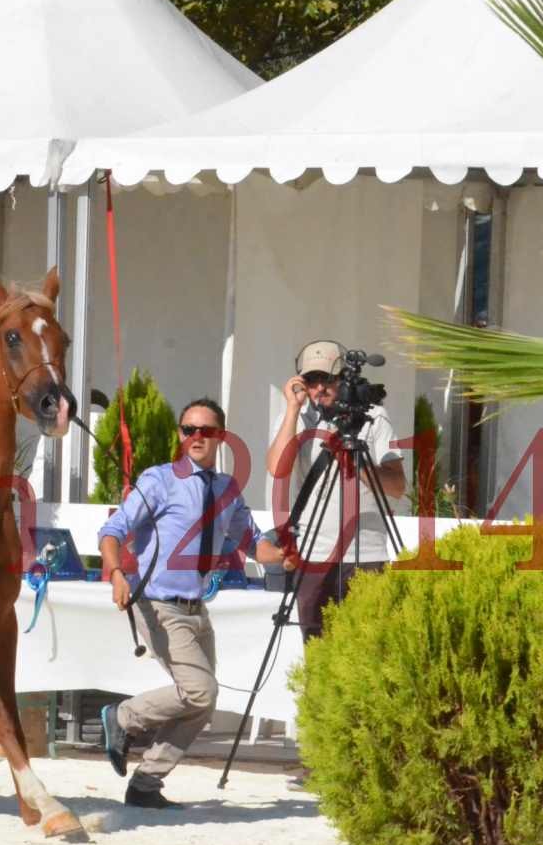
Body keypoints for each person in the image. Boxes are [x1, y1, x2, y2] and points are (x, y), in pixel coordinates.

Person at [97, 398, 259, 809]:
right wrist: (116, 572)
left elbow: (255, 544)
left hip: (196, 609)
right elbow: (113, 530)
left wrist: (288, 551)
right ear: (179, 434)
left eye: (206, 430)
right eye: (189, 429)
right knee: (200, 692)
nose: (196, 437)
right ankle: (122, 717)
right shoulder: (159, 480)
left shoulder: (227, 490)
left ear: (221, 436)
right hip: (157, 604)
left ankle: (146, 784)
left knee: (200, 704)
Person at [258, 340, 406, 642]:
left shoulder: (373, 415)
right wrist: (291, 409)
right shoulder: (296, 418)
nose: (318, 389)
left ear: (341, 378)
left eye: (326, 379)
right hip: (314, 554)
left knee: (370, 652)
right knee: (318, 652)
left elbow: (397, 486)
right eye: (311, 381)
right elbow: (277, 468)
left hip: (365, 553)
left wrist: (355, 462)